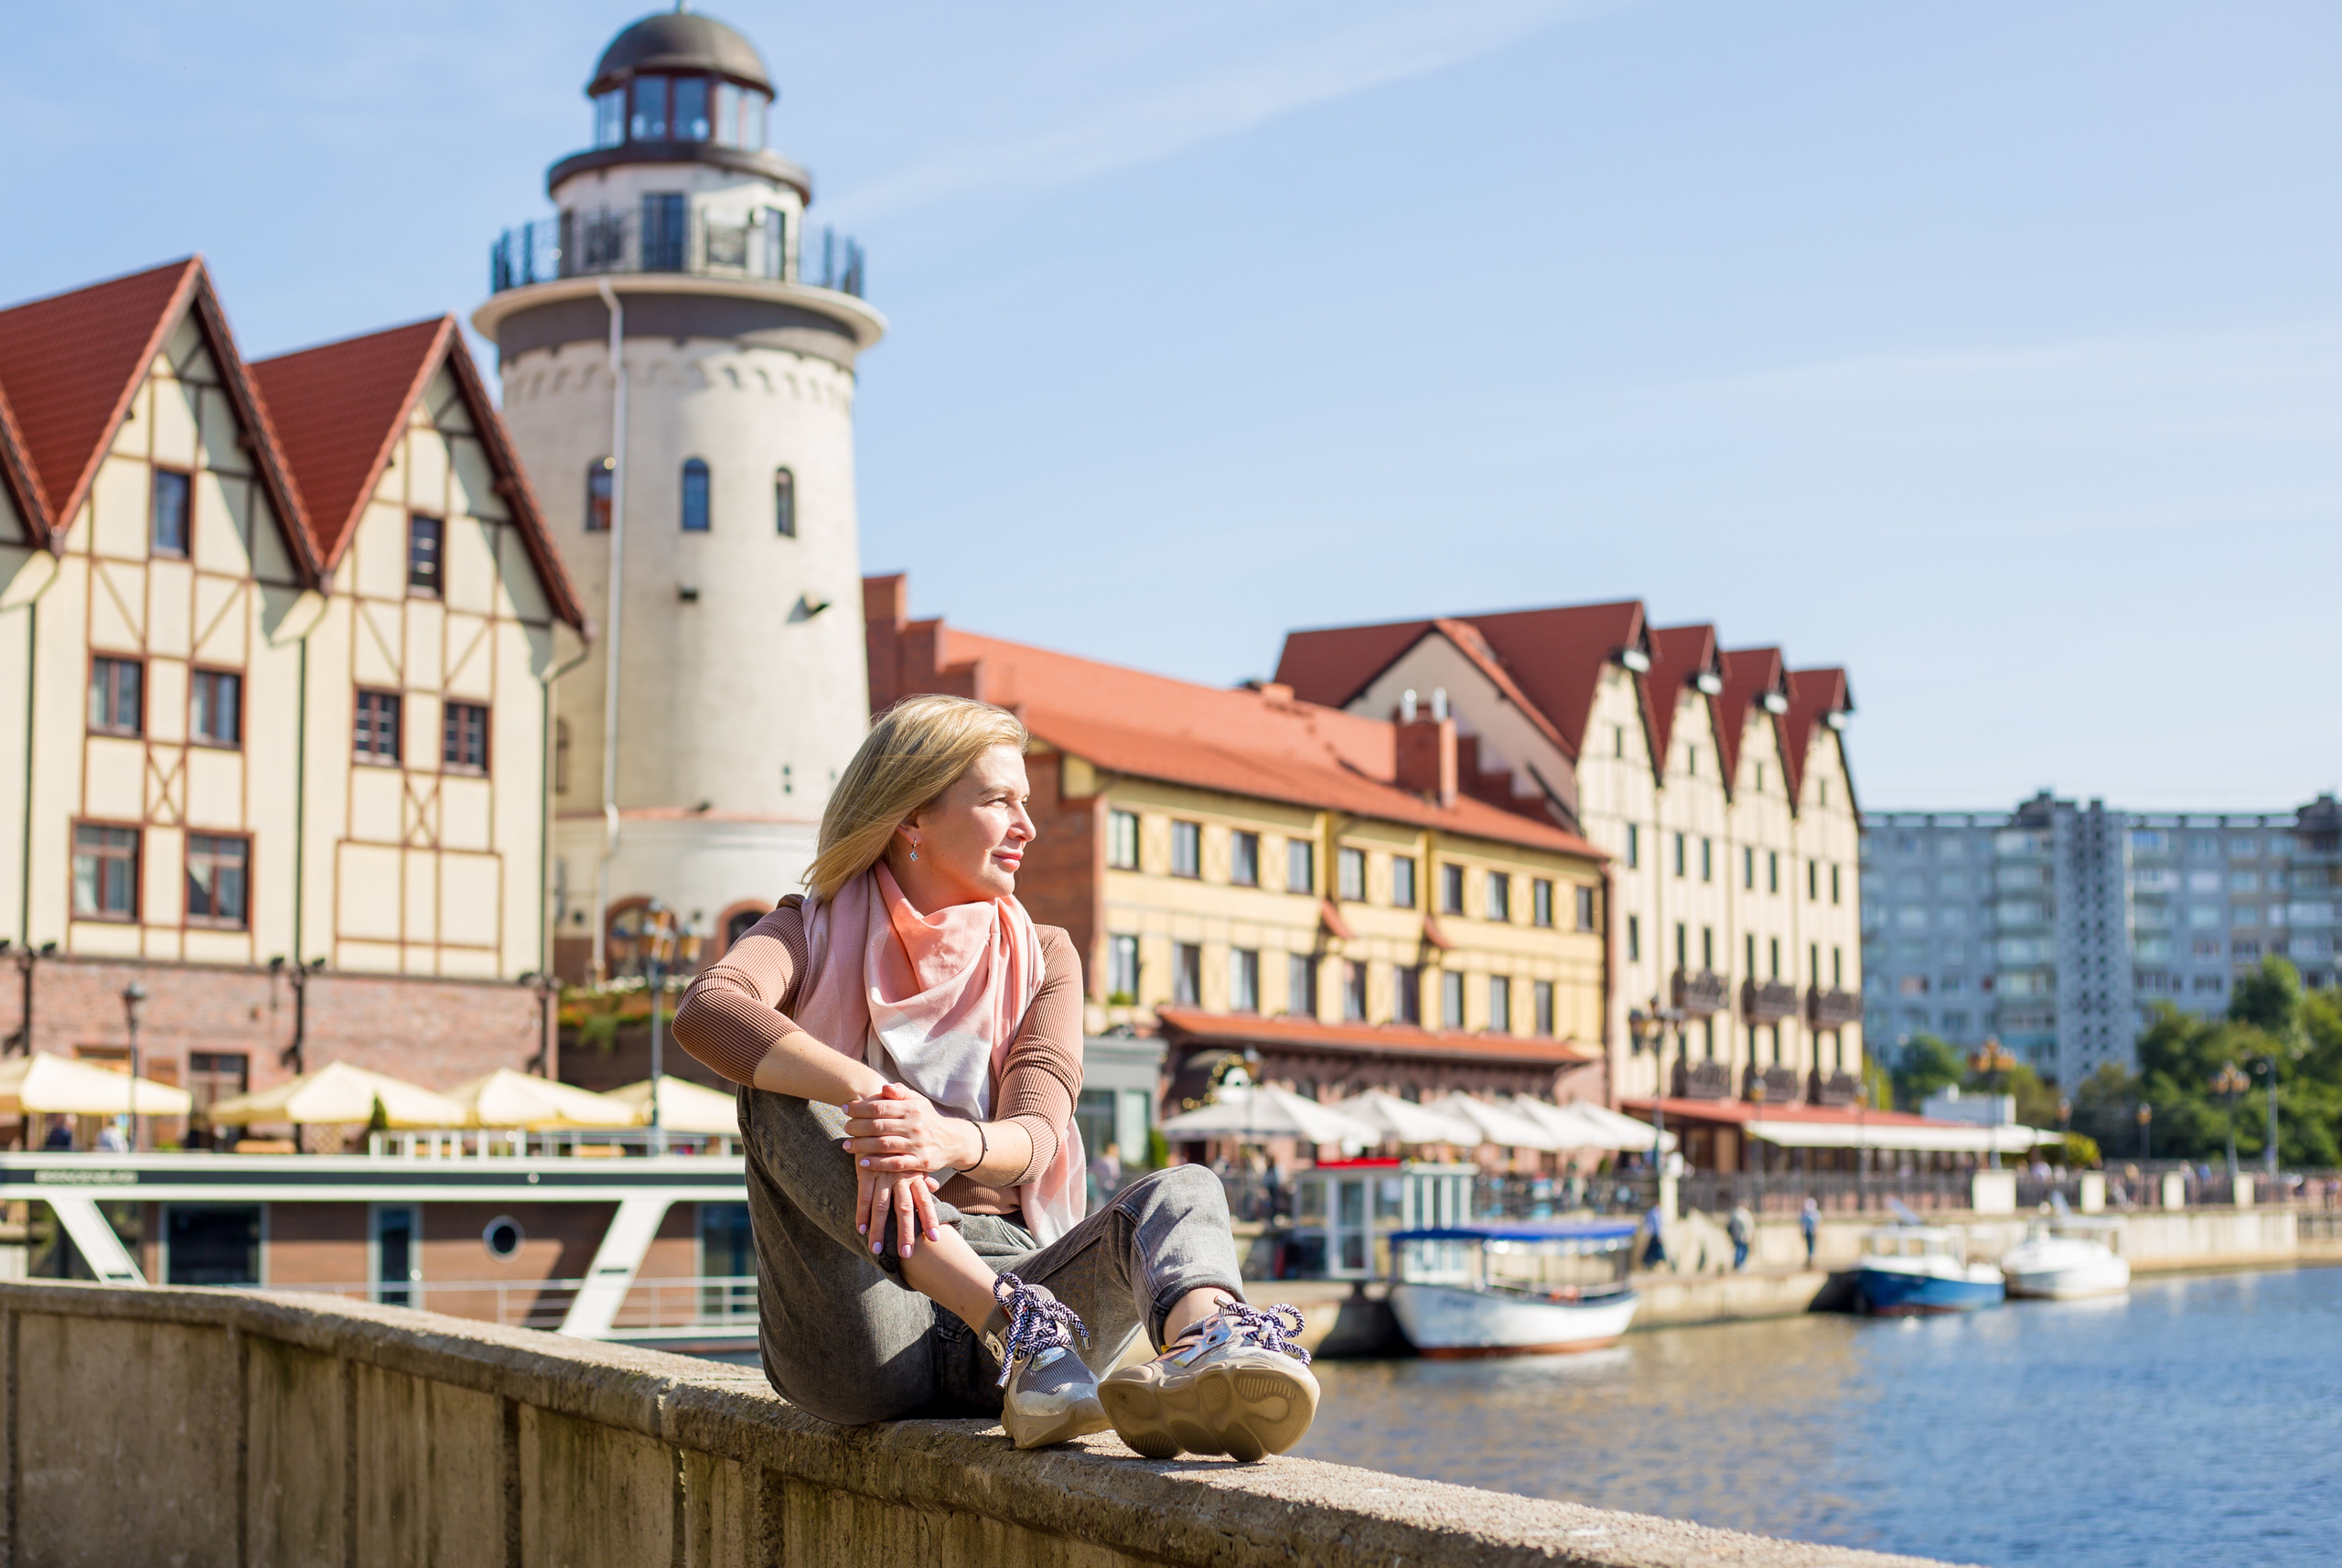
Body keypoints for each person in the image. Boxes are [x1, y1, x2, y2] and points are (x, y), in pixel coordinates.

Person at [672, 695, 1317, 1460]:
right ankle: (1016, 1327)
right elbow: (709, 1010)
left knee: (1189, 1191)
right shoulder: (805, 929)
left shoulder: (1045, 954)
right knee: (776, 1084)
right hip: (861, 1326)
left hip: (1031, 1294)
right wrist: (875, 1099)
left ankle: (1209, 1350)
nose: (1027, 826)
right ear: (911, 817)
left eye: (1027, 802)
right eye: (999, 801)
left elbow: (1038, 1137)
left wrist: (943, 1138)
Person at [1639, 1202, 1668, 1270]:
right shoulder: (1653, 1213)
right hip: (1654, 1235)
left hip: (1654, 1235)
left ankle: (1651, 1262)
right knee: (1656, 1250)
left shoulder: (1657, 1213)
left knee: (1655, 1250)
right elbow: (1654, 1225)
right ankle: (1650, 1262)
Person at [1727, 1203, 1754, 1271]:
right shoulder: (1745, 1214)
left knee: (1739, 1249)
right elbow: (1748, 1226)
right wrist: (1748, 1236)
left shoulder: (1735, 1213)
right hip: (1742, 1236)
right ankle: (1739, 1264)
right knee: (1742, 1250)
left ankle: (1738, 1264)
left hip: (1736, 1236)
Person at [1799, 1197, 1819, 1268]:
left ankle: (1811, 1258)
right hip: (1809, 1232)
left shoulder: (1808, 1214)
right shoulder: (1810, 1214)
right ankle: (1810, 1258)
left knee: (1811, 1246)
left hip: (1811, 1232)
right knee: (1810, 1245)